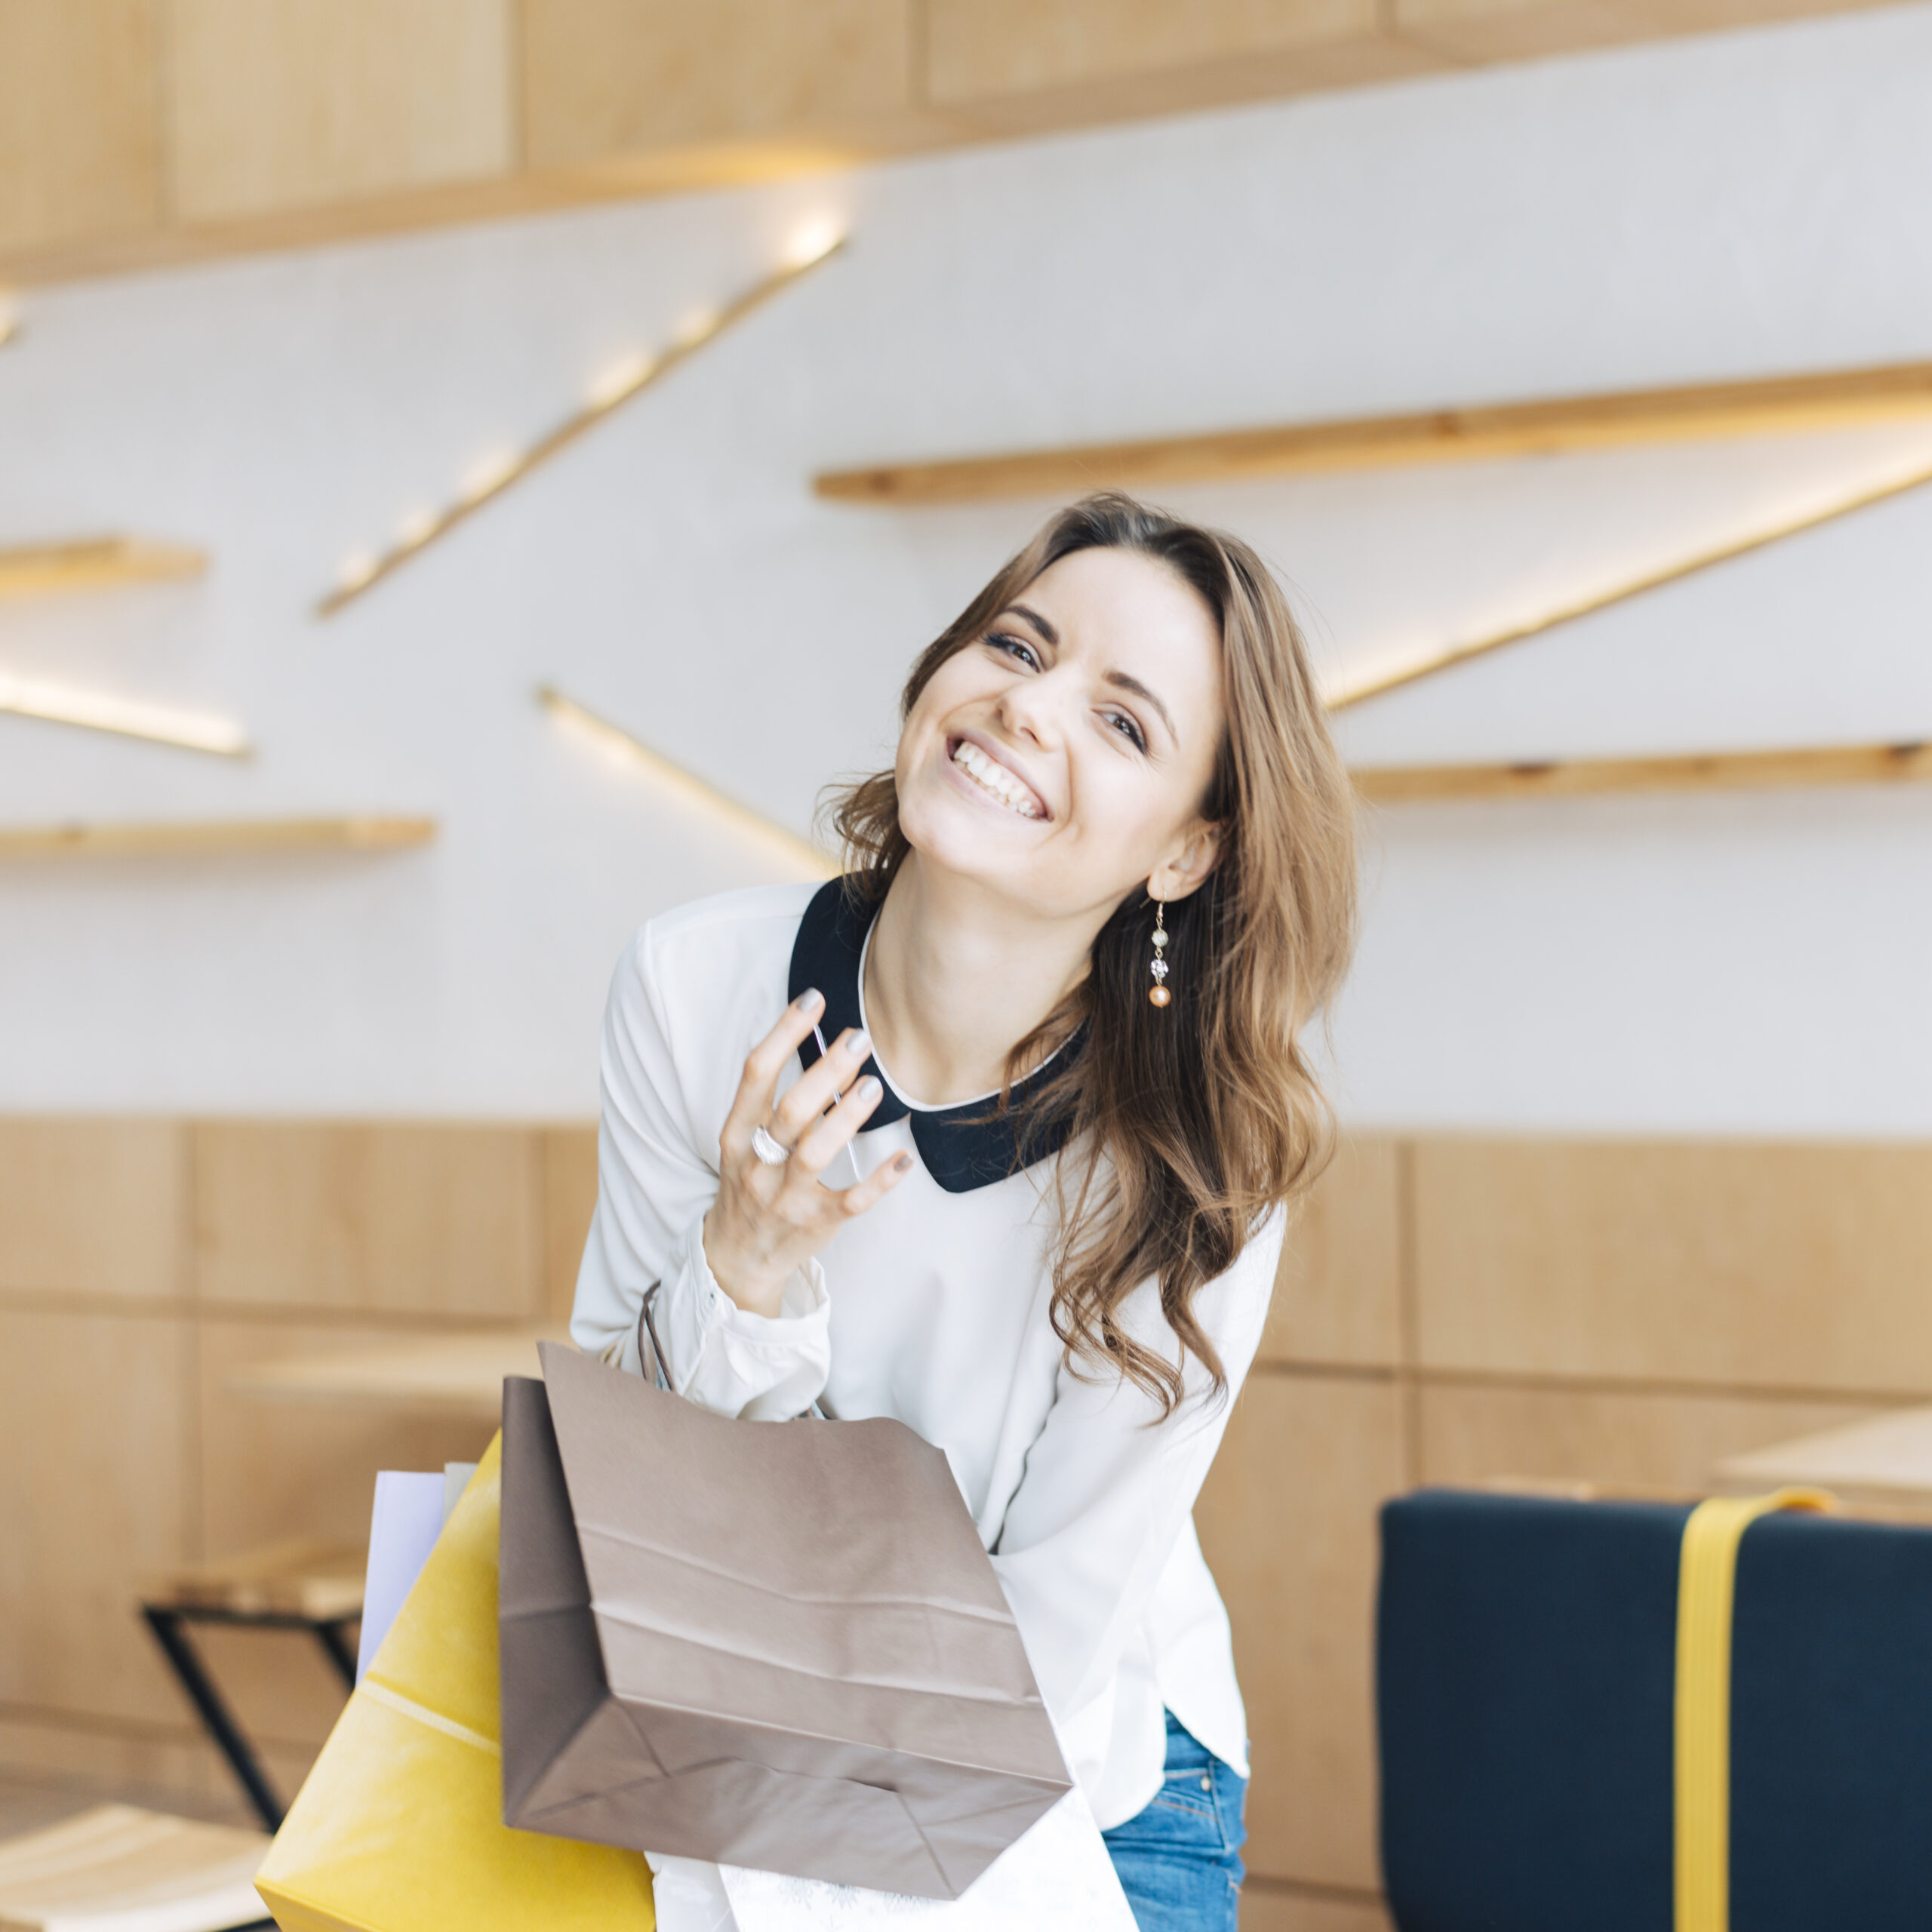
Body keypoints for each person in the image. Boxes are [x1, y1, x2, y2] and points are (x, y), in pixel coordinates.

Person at [572, 492, 1357, 1930]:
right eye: (1017, 642)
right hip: (713, 1730)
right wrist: (742, 1271)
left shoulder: (1199, 1159)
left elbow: (1052, 1641)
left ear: (1185, 853)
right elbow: (610, 1484)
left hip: (1075, 1791)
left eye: (1124, 723)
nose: (1025, 707)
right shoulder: (693, 990)